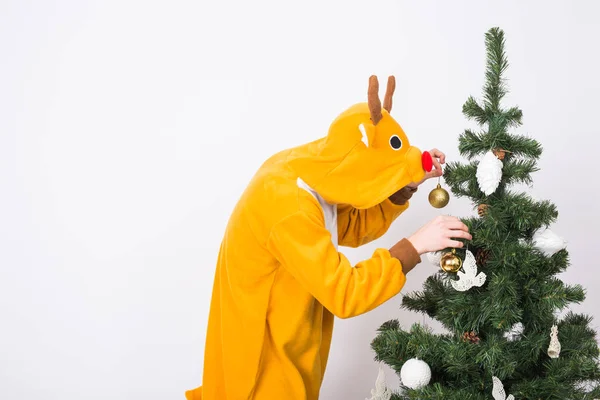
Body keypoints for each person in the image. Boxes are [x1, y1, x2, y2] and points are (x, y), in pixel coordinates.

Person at [185, 75, 472, 400]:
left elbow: (346, 227)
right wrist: (414, 246)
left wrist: (404, 185)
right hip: (263, 374)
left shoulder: (308, 171)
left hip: (293, 352)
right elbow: (344, 293)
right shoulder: (286, 204)